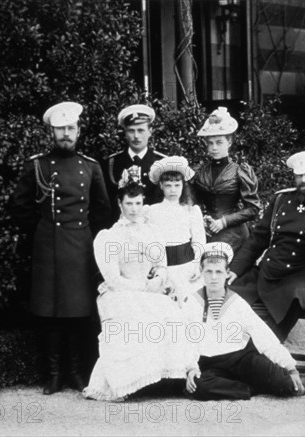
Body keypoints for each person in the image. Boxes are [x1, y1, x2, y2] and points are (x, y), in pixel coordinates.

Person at [10, 101, 111, 395]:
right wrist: (43, 230)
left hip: (80, 245)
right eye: (60, 129)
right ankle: (53, 375)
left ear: (78, 131)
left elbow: (102, 210)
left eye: (70, 128)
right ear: (51, 132)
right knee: (51, 311)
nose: (66, 134)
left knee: (79, 310)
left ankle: (76, 372)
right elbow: (19, 206)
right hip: (48, 245)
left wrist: (87, 237)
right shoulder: (38, 164)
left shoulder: (90, 166)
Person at [83, 176, 198, 402]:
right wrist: (143, 287)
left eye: (137, 203)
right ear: (120, 204)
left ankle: (169, 380)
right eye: (129, 204)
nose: (134, 209)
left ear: (143, 203)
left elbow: (160, 266)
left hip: (149, 290)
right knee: (134, 315)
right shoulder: (109, 237)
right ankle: (124, 383)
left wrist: (160, 278)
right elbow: (113, 279)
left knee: (172, 313)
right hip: (120, 292)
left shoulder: (152, 232)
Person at [227, 150, 305, 343]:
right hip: (267, 271)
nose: (304, 180)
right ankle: (223, 354)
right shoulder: (280, 201)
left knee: (267, 334)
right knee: (227, 299)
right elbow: (257, 240)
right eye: (299, 176)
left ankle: (262, 354)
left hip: (299, 279)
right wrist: (235, 270)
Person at [183, 242, 305, 400]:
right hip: (211, 363)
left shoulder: (237, 302)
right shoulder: (193, 302)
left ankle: (289, 379)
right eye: (209, 271)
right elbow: (188, 341)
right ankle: (253, 387)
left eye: (219, 272)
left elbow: (264, 336)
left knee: (288, 388)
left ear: (226, 273)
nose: (214, 277)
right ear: (201, 272)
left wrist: (291, 367)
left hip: (241, 358)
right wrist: (191, 368)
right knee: (198, 387)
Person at [191, 107, 261, 254]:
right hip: (207, 233)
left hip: (234, 235)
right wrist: (201, 219)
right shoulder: (201, 171)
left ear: (229, 142)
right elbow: (193, 203)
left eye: (219, 142)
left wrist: (224, 221)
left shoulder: (240, 171)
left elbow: (253, 209)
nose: (214, 147)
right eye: (210, 143)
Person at [146, 156, 206, 302]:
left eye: (177, 185)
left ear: (183, 185)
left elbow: (199, 241)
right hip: (163, 269)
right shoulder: (151, 211)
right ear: (161, 185)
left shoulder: (191, 210)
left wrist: (197, 265)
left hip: (186, 268)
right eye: (168, 185)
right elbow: (146, 240)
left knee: (189, 305)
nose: (173, 190)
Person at [102, 104, 166, 227]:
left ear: (150, 132)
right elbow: (105, 206)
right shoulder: (111, 164)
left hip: (154, 231)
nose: (136, 136)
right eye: (131, 131)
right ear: (125, 133)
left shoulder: (162, 163)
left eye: (141, 130)